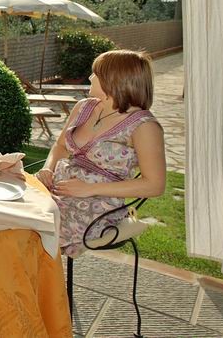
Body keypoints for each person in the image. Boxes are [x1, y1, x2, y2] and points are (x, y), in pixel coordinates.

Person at [35, 50, 166, 257]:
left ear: (113, 80)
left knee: (32, 230)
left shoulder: (144, 127)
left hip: (96, 205)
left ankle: (38, 284)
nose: (90, 77)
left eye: (95, 73)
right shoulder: (84, 108)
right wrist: (47, 169)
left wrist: (89, 189)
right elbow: (60, 147)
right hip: (58, 188)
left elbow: (155, 185)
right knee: (11, 211)